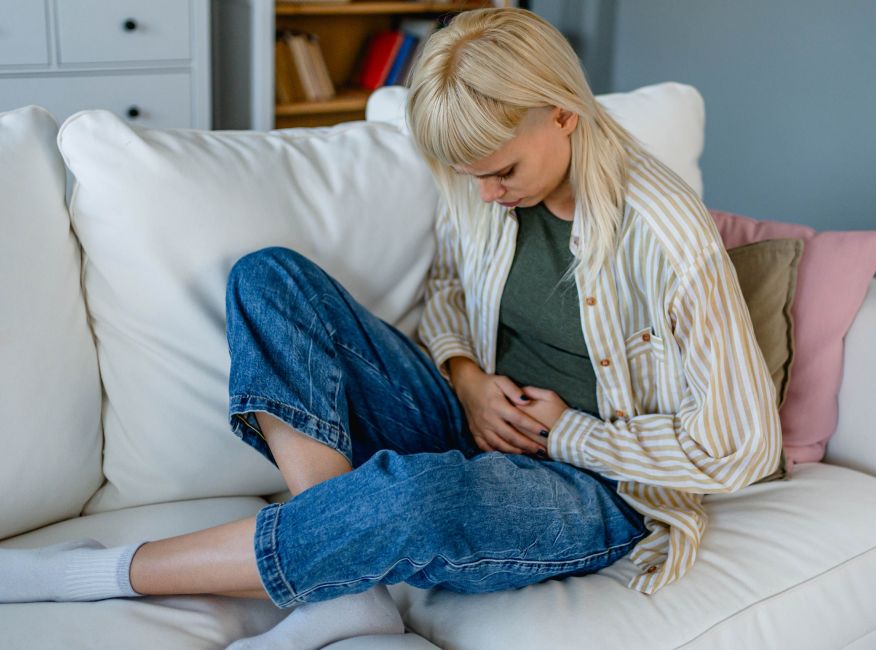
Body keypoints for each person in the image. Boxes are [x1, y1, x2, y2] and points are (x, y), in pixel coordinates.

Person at [0, 7, 782, 649]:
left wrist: (570, 435)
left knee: (412, 501)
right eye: (471, 177)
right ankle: (348, 589)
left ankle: (96, 573)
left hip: (596, 484)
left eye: (501, 171)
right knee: (268, 277)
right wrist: (467, 379)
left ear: (565, 116)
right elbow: (449, 288)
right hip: (472, 420)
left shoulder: (668, 236)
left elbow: (742, 447)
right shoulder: (489, 190)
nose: (486, 195)